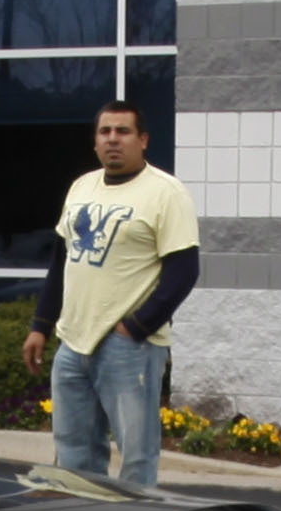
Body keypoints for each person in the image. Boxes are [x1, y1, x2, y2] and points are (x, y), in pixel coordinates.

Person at [20, 98, 198, 491]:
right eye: (105, 132)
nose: (113, 139)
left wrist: (135, 327)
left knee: (136, 455)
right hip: (73, 344)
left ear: (144, 139)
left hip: (129, 347)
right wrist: (41, 326)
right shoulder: (81, 187)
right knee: (73, 452)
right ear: (95, 142)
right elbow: (61, 262)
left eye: (123, 131)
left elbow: (184, 271)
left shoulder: (166, 192)